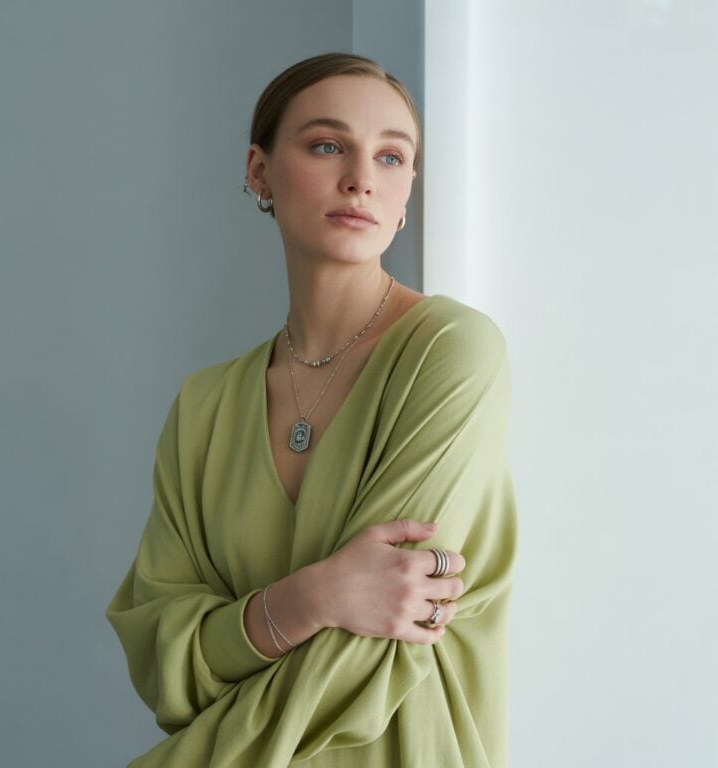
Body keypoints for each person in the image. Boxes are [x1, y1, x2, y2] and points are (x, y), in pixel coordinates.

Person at [105, 52, 517, 768]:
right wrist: (311, 599)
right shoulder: (205, 407)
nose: (361, 178)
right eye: (328, 145)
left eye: (392, 157)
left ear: (408, 190)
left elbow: (378, 645)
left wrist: (248, 630)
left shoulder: (452, 352)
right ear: (259, 172)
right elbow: (167, 663)